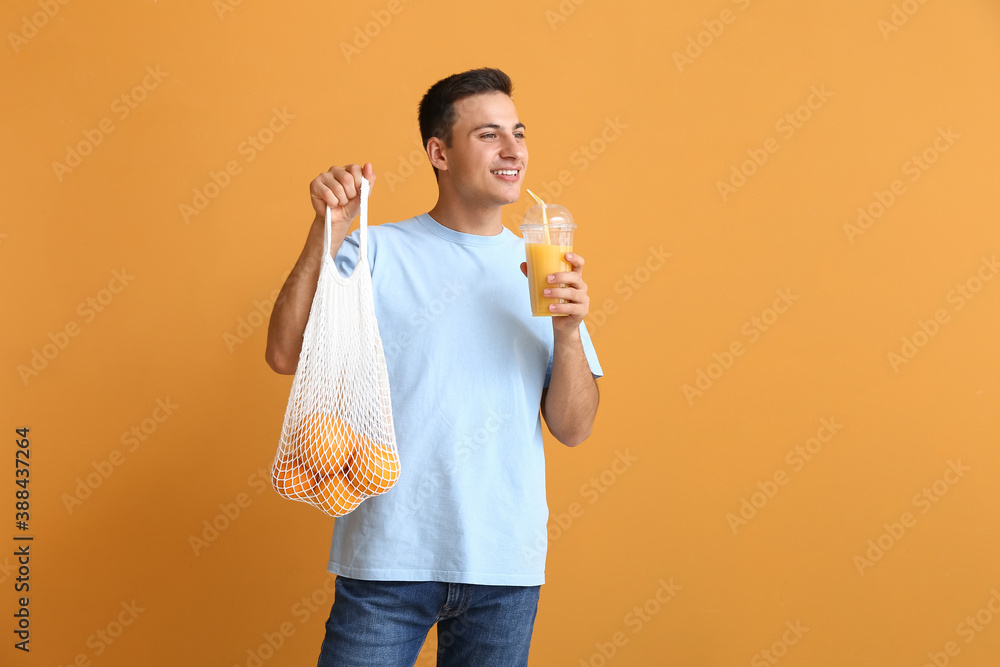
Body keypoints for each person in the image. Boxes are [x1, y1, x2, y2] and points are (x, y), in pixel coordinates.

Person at [265, 67, 603, 667]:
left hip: (505, 564)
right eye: (488, 135)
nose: (512, 151)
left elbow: (573, 427)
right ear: (438, 152)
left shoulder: (542, 271)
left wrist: (568, 330)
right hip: (387, 559)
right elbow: (285, 353)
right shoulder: (376, 252)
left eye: (518, 134)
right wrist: (327, 232)